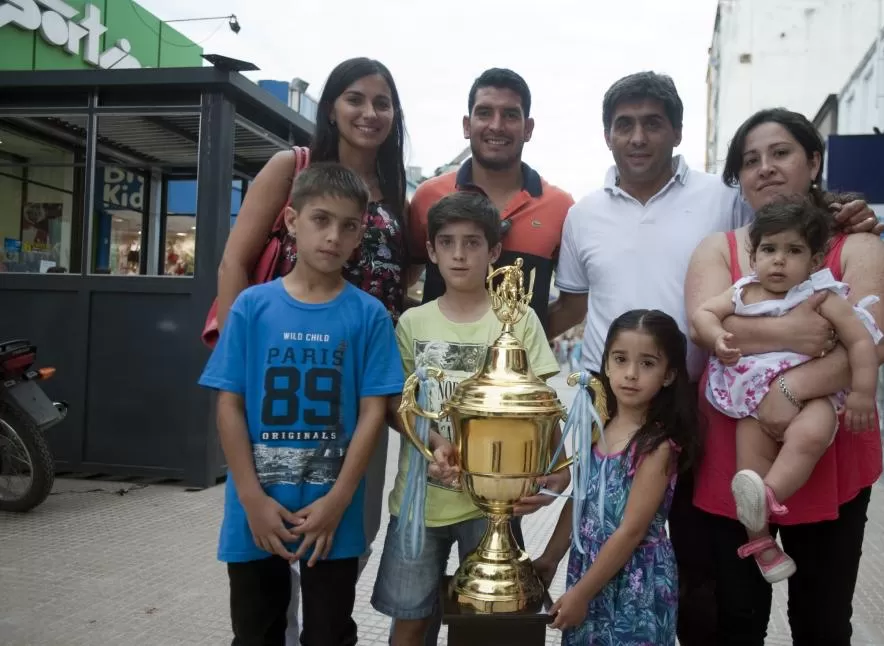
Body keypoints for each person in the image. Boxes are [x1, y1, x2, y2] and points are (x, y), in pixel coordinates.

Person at [545, 72, 882, 645]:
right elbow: (579, 304)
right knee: (649, 556)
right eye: (624, 124)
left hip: (719, 418)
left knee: (780, 602)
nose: (638, 136)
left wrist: (844, 213)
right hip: (639, 414)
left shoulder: (720, 201)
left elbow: (787, 229)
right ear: (606, 135)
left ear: (677, 130)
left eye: (653, 122)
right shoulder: (584, 214)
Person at [212, 57, 411, 643]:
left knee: (341, 548)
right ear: (330, 106)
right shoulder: (291, 167)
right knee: (262, 602)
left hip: (363, 384)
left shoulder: (399, 190)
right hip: (280, 380)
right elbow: (234, 261)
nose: (369, 113)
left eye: (382, 102)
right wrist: (237, 361)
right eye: (355, 99)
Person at [685, 107, 884, 644]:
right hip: (735, 451)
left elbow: (875, 343)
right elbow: (706, 330)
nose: (765, 168)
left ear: (813, 161)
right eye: (750, 161)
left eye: (780, 153)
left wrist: (790, 388)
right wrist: (801, 335)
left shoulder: (859, 245)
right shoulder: (721, 248)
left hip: (830, 449)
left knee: (822, 620)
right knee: (734, 618)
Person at [371, 191, 568, 646]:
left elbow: (541, 405)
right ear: (433, 251)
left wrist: (556, 471)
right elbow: (399, 406)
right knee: (412, 620)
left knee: (485, 625)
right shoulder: (412, 324)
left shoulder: (520, 322)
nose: (459, 254)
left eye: (473, 243)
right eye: (447, 242)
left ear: (494, 251)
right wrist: (437, 444)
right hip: (420, 503)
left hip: (496, 505)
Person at [692, 196, 883, 584]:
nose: (779, 260)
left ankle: (768, 492)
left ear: (815, 261)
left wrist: (863, 392)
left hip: (812, 396)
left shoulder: (822, 296)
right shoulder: (742, 292)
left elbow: (863, 342)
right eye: (769, 249)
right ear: (753, 255)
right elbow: (703, 315)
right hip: (752, 401)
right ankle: (761, 543)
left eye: (793, 250)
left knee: (809, 436)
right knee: (749, 464)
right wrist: (718, 338)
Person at [533, 309, 699, 646]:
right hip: (591, 571)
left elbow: (631, 531)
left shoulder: (656, 445)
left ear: (668, 375)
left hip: (636, 581)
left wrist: (581, 593)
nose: (631, 374)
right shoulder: (600, 427)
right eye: (620, 359)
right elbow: (579, 502)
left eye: (648, 363)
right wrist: (550, 559)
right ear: (606, 364)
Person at [408, 68, 574, 327]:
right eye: (484, 113)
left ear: (528, 128)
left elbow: (572, 307)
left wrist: (523, 346)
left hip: (521, 367)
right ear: (467, 124)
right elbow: (403, 283)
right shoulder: (428, 197)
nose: (496, 125)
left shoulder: (561, 208)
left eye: (510, 115)